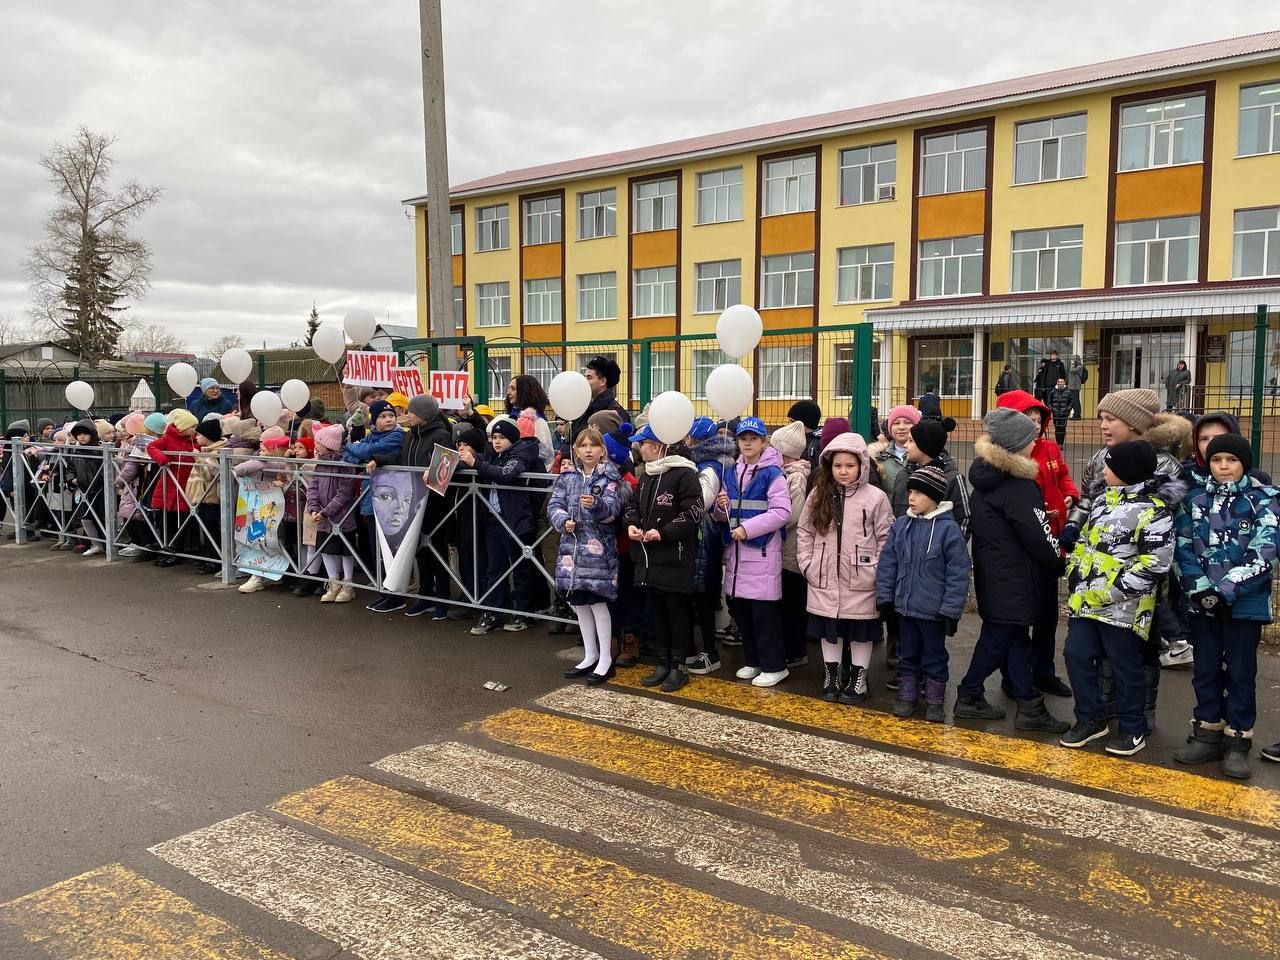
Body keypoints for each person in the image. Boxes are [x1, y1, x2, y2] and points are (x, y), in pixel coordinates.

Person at [1069, 388, 1190, 729]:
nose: (1104, 426)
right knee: (1103, 645)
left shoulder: (1164, 463)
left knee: (1141, 646)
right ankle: (1107, 707)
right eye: (1102, 420)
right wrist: (1074, 529)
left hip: (1144, 577)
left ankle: (1141, 713)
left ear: (1135, 425)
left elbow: (1167, 518)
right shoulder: (1100, 458)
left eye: (1112, 420)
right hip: (1099, 573)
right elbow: (1088, 500)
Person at [954, 409, 1070, 732]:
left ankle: (1030, 703)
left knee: (1015, 637)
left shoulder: (986, 479)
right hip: (1016, 578)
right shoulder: (1019, 487)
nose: (1035, 444)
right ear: (1015, 445)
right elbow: (1039, 534)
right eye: (1031, 440)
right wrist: (1058, 561)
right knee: (999, 638)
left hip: (995, 574)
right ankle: (969, 692)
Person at [1172, 434, 1279, 779]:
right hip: (1201, 604)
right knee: (1205, 669)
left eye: (1231, 460)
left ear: (1243, 464)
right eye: (1217, 460)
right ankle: (1207, 732)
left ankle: (1237, 741)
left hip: (1243, 605)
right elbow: (1183, 548)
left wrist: (1226, 589)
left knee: (1240, 672)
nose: (1223, 467)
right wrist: (1201, 589)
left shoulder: (1264, 501)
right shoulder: (1194, 499)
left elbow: (1265, 551)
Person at [1060, 440, 1175, 758]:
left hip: (1124, 607)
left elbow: (1156, 561)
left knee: (1126, 666)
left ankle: (1133, 726)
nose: (1103, 470)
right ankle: (1090, 718)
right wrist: (1074, 571)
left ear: (1127, 471)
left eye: (1109, 466)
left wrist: (1113, 590)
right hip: (1086, 601)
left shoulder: (1155, 512)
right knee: (1076, 655)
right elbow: (1085, 541)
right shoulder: (1101, 503)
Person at [797, 430, 893, 704]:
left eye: (850, 465)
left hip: (862, 578)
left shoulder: (875, 497)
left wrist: (875, 569)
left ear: (862, 465)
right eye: (838, 465)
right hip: (823, 576)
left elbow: (886, 537)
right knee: (831, 630)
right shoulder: (818, 494)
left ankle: (858, 680)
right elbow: (805, 531)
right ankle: (832, 676)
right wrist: (808, 563)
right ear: (829, 466)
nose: (843, 471)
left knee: (860, 632)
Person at [994, 389, 1078, 698]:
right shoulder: (1006, 456)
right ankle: (1013, 675)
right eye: (1027, 418)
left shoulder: (1050, 449)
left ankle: (1044, 671)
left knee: (1047, 613)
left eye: (1037, 418)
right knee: (1018, 616)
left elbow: (1064, 478)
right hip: (1022, 546)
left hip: (1050, 540)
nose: (1034, 423)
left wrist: (1070, 495)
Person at [876, 464, 971, 722]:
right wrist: (885, 597)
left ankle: (935, 701)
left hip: (933, 612)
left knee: (934, 656)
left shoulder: (948, 530)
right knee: (907, 654)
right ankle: (907, 697)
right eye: (911, 492)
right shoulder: (902, 526)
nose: (912, 498)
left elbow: (958, 573)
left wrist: (951, 611)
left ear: (935, 497)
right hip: (904, 608)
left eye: (919, 493)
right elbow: (888, 563)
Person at [714, 416, 794, 688]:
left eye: (753, 439)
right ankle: (753, 661)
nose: (747, 443)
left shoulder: (772, 473)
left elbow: (782, 512)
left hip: (760, 552)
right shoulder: (730, 472)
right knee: (744, 613)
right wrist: (720, 506)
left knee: (764, 615)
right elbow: (723, 515)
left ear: (763, 441)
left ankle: (775, 665)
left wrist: (747, 529)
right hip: (737, 553)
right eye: (743, 439)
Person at [622, 424, 703, 692]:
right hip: (649, 557)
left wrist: (664, 533)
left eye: (642, 443)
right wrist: (632, 524)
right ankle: (663, 660)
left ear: (656, 446)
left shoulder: (684, 475)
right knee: (657, 610)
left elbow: (693, 513)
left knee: (676, 611)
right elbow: (633, 506)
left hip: (675, 557)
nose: (638, 448)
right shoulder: (646, 476)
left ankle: (678, 665)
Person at [548, 427, 627, 684]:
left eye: (593, 446)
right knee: (580, 602)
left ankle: (606, 658)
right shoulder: (568, 477)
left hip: (598, 552)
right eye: (583, 446)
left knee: (598, 602)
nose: (588, 450)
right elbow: (554, 505)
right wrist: (563, 522)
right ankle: (590, 654)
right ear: (576, 450)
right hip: (572, 552)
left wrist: (597, 506)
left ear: (602, 450)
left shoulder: (609, 477)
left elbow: (613, 510)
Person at [460, 417, 544, 634]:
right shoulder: (492, 454)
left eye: (502, 438)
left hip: (516, 520)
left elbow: (506, 475)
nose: (496, 442)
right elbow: (470, 461)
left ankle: (524, 612)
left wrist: (476, 464)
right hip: (493, 519)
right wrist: (441, 465)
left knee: (521, 569)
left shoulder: (521, 454)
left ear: (513, 439)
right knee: (494, 569)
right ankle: (493, 612)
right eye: (493, 437)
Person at [388, 394, 457, 619]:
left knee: (436, 550)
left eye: (411, 412)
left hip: (434, 504)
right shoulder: (409, 437)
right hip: (412, 501)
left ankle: (443, 598)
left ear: (423, 415)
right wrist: (378, 460)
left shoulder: (441, 435)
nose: (407, 415)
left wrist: (433, 469)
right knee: (420, 551)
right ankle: (425, 594)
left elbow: (446, 465)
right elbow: (400, 460)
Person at [341, 400, 406, 613]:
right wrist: (359, 450)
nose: (389, 420)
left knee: (388, 548)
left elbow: (368, 450)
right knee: (374, 547)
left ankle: (394, 594)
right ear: (374, 421)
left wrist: (359, 449)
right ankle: (383, 589)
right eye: (383, 417)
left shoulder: (397, 435)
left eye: (391, 416)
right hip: (370, 498)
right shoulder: (370, 437)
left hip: (389, 498)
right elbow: (349, 456)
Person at [688, 417, 735, 674]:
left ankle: (709, 653)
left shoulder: (708, 468)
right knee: (701, 594)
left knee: (703, 595)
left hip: (704, 537)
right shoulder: (719, 464)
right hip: (707, 535)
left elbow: (702, 502)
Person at [770, 419, 813, 669]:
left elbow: (791, 515)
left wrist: (768, 525)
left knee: (792, 603)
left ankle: (796, 651)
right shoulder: (788, 474)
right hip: (785, 548)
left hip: (791, 551)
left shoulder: (795, 478)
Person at [307, 423, 359, 603]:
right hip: (323, 515)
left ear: (328, 444)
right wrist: (313, 508)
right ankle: (333, 582)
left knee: (346, 550)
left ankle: (348, 583)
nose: (316, 446)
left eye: (318, 442)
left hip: (342, 515)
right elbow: (313, 486)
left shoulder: (345, 464)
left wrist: (327, 511)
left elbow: (344, 493)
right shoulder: (320, 463)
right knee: (326, 550)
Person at [146, 409, 200, 567]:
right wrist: (162, 459)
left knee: (184, 519)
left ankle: (178, 550)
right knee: (167, 519)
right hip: (169, 483)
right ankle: (167, 550)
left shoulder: (195, 441)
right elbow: (151, 447)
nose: (195, 429)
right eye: (192, 426)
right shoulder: (168, 438)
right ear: (183, 427)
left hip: (187, 485)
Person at [184, 418, 227, 576]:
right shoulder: (206, 451)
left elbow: (211, 474)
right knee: (206, 528)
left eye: (199, 435)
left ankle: (215, 559)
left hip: (210, 497)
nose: (196, 437)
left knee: (211, 529)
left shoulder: (216, 452)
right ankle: (210, 557)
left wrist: (198, 459)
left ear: (207, 436)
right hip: (201, 496)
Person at [570, 356, 629, 439]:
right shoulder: (583, 408)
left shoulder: (614, 412)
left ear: (602, 381)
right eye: (584, 377)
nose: (584, 381)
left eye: (589, 377)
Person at [507, 375, 556, 466]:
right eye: (509, 388)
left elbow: (546, 455)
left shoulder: (538, 422)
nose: (508, 392)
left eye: (513, 389)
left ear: (524, 392)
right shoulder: (512, 416)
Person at [787, 400, 823, 474]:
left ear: (802, 423)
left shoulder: (817, 445)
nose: (789, 425)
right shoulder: (791, 438)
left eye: (792, 421)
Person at [1048, 377, 1072, 448]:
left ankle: (1060, 443)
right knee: (1057, 428)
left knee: (1062, 428)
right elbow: (1049, 402)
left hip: (1064, 414)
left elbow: (1071, 402)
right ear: (1057, 383)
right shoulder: (1052, 392)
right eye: (1059, 382)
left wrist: (1067, 409)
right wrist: (1052, 409)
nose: (1060, 383)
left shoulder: (1068, 392)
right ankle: (1058, 443)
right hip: (1055, 413)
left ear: (1064, 383)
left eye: (1062, 382)